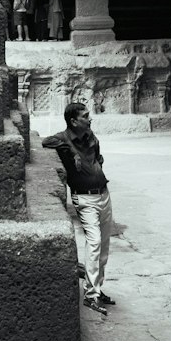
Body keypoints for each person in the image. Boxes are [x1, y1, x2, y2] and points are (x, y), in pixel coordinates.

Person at [42, 102, 115, 310]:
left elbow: (98, 157)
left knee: (104, 247)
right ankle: (90, 296)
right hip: (85, 199)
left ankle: (97, 289)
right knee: (94, 243)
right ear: (73, 121)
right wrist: (71, 152)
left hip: (103, 194)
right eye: (85, 116)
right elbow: (45, 142)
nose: (90, 118)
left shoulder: (91, 136)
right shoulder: (63, 138)